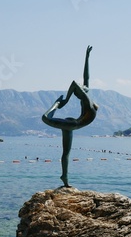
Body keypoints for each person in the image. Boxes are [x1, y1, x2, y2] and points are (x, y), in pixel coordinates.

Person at [42, 45, 98, 187]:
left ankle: (64, 177)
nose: (83, 87)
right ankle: (55, 105)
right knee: (45, 118)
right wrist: (64, 101)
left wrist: (87, 57)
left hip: (73, 124)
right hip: (72, 124)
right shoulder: (87, 101)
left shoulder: (87, 96)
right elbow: (74, 84)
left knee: (66, 153)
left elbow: (86, 77)